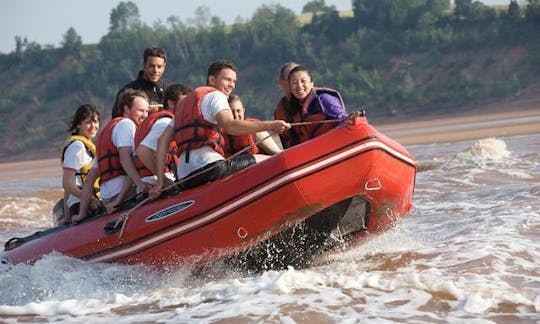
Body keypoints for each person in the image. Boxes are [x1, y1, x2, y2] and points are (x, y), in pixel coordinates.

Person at [149, 59, 290, 198]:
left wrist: (160, 181)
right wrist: (270, 125)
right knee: (267, 159)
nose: (231, 85)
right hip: (210, 168)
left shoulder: (182, 108)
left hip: (185, 177)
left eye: (234, 81)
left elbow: (162, 142)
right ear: (212, 79)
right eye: (227, 80)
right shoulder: (216, 96)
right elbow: (230, 125)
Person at [73, 89, 150, 223]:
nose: (144, 115)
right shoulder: (127, 125)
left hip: (108, 196)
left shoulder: (105, 134)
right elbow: (126, 160)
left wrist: (81, 214)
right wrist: (139, 184)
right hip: (125, 194)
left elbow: (90, 179)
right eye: (140, 111)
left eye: (146, 111)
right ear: (126, 109)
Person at [274, 65, 349, 149]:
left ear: (311, 83)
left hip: (331, 146)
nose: (299, 86)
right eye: (294, 83)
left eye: (303, 81)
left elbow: (343, 118)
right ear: (290, 88)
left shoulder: (324, 99)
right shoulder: (290, 110)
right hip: (309, 152)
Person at [133, 83, 192, 186]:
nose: (187, 108)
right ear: (171, 103)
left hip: (149, 180)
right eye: (184, 103)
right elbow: (142, 151)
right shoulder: (166, 123)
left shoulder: (157, 121)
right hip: (158, 182)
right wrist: (163, 179)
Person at [58, 104, 100, 225]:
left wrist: (66, 218)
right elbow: (67, 184)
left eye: (96, 122)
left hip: (86, 203)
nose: (93, 126)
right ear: (78, 124)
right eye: (88, 122)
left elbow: (67, 192)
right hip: (81, 205)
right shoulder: (77, 146)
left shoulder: (87, 146)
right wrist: (90, 199)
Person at [111, 47, 167, 118]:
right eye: (152, 66)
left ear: (164, 67)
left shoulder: (168, 91)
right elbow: (117, 120)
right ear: (144, 65)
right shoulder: (127, 92)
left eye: (159, 67)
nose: (155, 70)